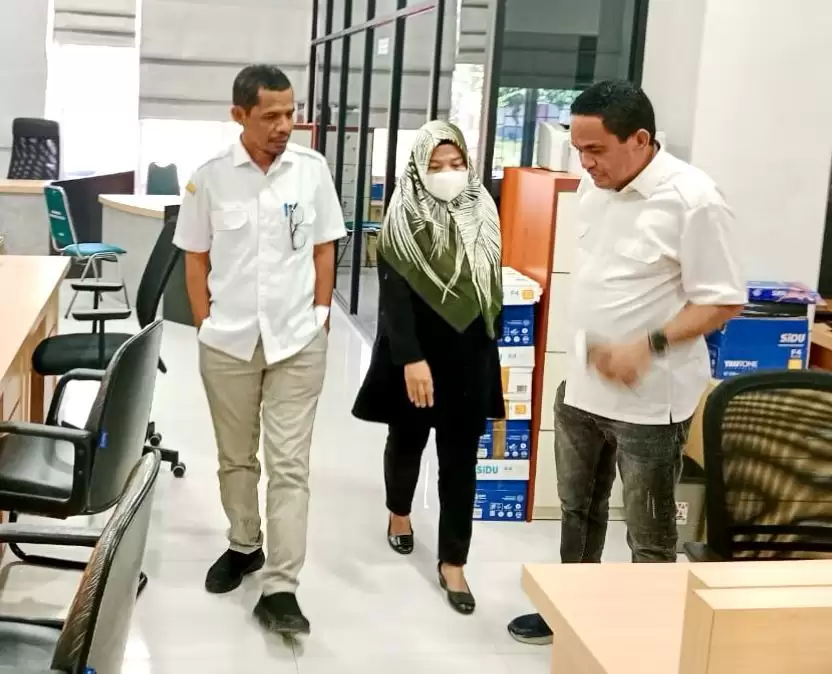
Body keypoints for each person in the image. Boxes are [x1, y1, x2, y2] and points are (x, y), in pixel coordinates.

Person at [507, 80, 745, 644]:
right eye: (578, 150)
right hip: (583, 388)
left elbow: (723, 300)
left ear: (640, 140)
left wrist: (648, 344)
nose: (585, 164)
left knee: (649, 533)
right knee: (577, 509)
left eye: (596, 150)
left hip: (651, 401)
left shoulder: (693, 200)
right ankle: (569, 606)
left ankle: (647, 635)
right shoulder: (598, 189)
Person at [173, 64, 346, 636]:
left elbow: (325, 247)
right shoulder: (210, 179)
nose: (284, 125)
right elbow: (195, 256)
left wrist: (321, 315)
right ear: (239, 115)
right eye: (271, 115)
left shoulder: (311, 171)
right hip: (229, 342)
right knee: (236, 458)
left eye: (290, 113)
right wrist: (204, 322)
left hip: (297, 341)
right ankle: (244, 544)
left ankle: (281, 588)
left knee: (290, 467)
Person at [352, 120, 505, 615]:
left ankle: (453, 561)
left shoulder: (483, 209)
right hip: (415, 352)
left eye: (456, 163)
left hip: (470, 353)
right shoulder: (402, 215)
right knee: (408, 441)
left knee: (461, 462)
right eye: (436, 166)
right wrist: (411, 359)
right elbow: (394, 299)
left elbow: (490, 288)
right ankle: (399, 513)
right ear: (418, 168)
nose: (447, 173)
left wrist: (490, 354)